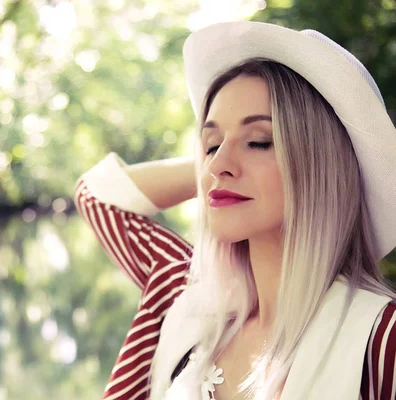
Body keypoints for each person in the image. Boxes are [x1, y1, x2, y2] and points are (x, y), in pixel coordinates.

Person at [74, 21, 396, 400]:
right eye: (210, 145)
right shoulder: (186, 297)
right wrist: (215, 169)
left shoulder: (381, 336)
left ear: (320, 165)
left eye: (258, 141)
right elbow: (96, 197)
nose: (216, 164)